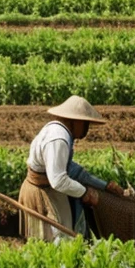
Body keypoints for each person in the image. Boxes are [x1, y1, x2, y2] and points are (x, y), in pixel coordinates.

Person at [17, 95, 125, 242]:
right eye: (85, 123)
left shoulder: (58, 131)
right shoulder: (58, 139)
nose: (87, 129)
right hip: (43, 193)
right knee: (58, 240)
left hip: (49, 189)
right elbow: (58, 180)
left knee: (60, 239)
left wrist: (104, 186)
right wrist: (84, 192)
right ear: (75, 121)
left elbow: (71, 169)